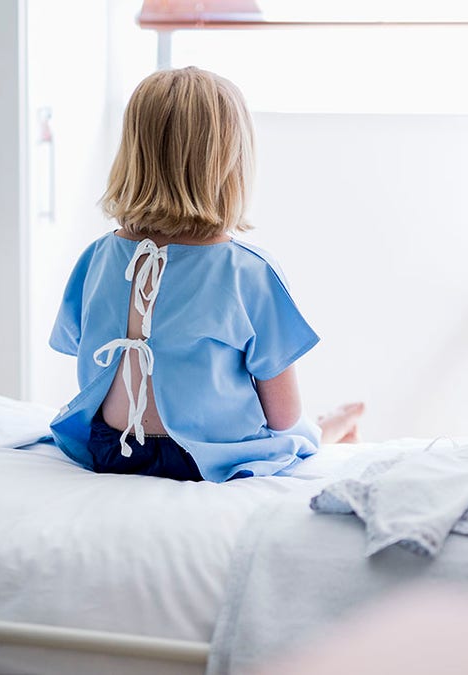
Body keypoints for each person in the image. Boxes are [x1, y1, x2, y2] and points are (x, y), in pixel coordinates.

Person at [49, 66, 362, 483]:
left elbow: (79, 350)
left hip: (113, 450)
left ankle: (333, 423)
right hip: (204, 458)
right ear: (231, 165)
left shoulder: (98, 257)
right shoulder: (248, 271)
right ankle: (332, 426)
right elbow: (283, 416)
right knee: (300, 435)